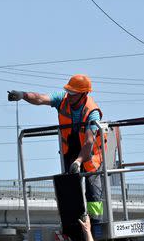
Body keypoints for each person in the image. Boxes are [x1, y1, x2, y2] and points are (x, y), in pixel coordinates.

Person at [8, 74, 105, 223]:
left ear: (83, 94)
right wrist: (23, 95)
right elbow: (40, 98)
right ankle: (75, 223)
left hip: (90, 155)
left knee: (93, 192)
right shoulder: (63, 99)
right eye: (69, 92)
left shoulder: (92, 112)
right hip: (70, 150)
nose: (70, 96)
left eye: (73, 94)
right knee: (70, 188)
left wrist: (78, 162)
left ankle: (96, 223)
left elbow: (88, 142)